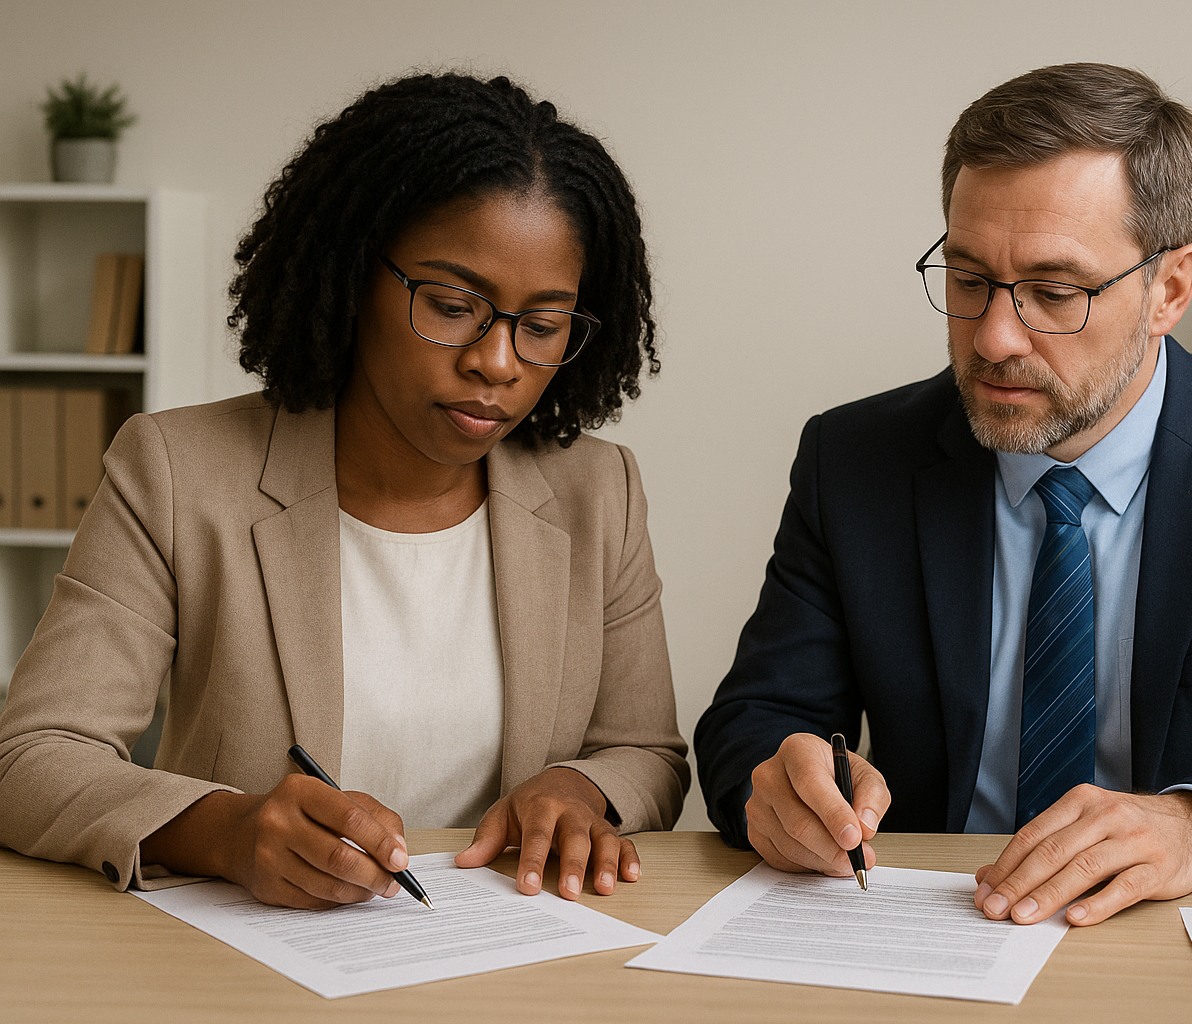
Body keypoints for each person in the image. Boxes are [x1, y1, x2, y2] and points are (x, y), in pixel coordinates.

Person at [694, 63, 1192, 928]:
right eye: (968, 279)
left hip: (1189, 938)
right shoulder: (854, 458)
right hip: (929, 928)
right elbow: (756, 719)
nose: (995, 337)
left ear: (1171, 289)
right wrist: (781, 777)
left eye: (1055, 292)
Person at [0, 73, 689, 909]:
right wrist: (225, 829)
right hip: (249, 955)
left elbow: (646, 752)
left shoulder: (598, 491)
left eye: (541, 326)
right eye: (452, 305)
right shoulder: (178, 471)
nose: (497, 363)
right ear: (353, 275)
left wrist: (577, 790)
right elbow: (34, 753)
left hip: (511, 955)